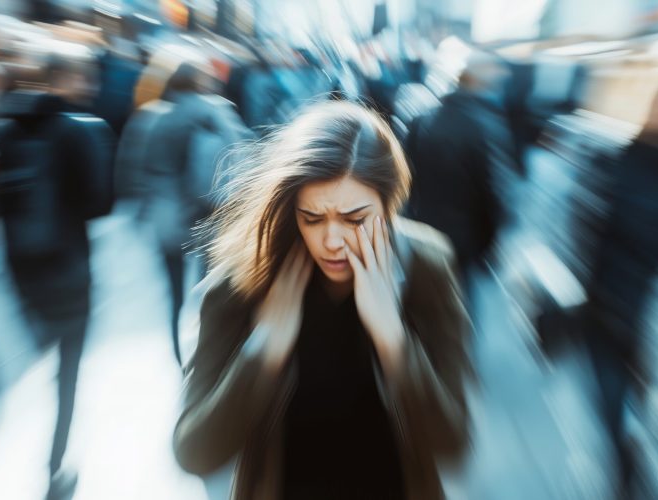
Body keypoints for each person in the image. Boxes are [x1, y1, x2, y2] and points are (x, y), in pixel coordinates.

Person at [173, 100, 473, 499]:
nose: (332, 241)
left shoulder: (426, 268)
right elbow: (194, 452)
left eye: (355, 219)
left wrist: (394, 342)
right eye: (312, 218)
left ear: (389, 207)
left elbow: (451, 441)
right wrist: (263, 350)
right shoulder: (245, 278)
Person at [0, 53, 114, 500]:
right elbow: (100, 202)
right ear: (62, 78)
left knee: (47, 358)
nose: (89, 86)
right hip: (69, 269)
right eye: (83, 78)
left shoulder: (8, 130)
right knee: (68, 372)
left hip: (22, 271)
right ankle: (55, 465)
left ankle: (37, 448)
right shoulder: (75, 130)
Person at [117, 61, 252, 365]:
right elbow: (238, 155)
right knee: (209, 286)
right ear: (200, 83)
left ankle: (178, 353)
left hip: (167, 217)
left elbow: (135, 171)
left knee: (175, 293)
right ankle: (207, 347)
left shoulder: (151, 117)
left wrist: (140, 213)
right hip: (208, 213)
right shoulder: (215, 112)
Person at [404, 51, 512, 292]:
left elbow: (404, 178)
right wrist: (489, 248)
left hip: (419, 233)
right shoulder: (486, 128)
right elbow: (493, 195)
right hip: (462, 245)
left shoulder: (423, 120)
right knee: (453, 304)